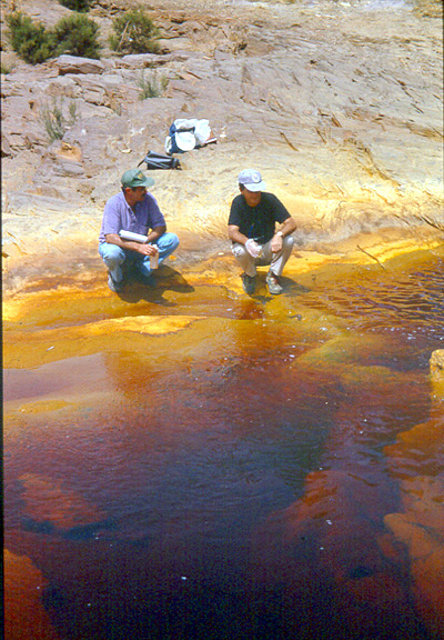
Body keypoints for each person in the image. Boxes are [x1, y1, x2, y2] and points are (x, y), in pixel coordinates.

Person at [99, 168, 179, 292]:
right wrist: (137, 247)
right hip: (118, 246)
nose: (145, 192)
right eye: (142, 189)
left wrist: (146, 241)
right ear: (129, 191)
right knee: (112, 253)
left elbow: (160, 227)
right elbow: (110, 237)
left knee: (172, 239)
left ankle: (142, 271)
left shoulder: (148, 199)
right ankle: (117, 278)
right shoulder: (113, 204)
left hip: (141, 244)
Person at [228, 169, 296, 295]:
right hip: (249, 252)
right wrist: (247, 242)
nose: (255, 195)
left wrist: (279, 235)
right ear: (241, 189)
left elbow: (291, 223)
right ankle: (250, 275)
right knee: (239, 250)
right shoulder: (238, 203)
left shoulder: (270, 200)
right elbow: (232, 232)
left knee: (289, 240)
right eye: (250, 191)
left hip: (268, 248)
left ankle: (274, 276)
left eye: (257, 190)